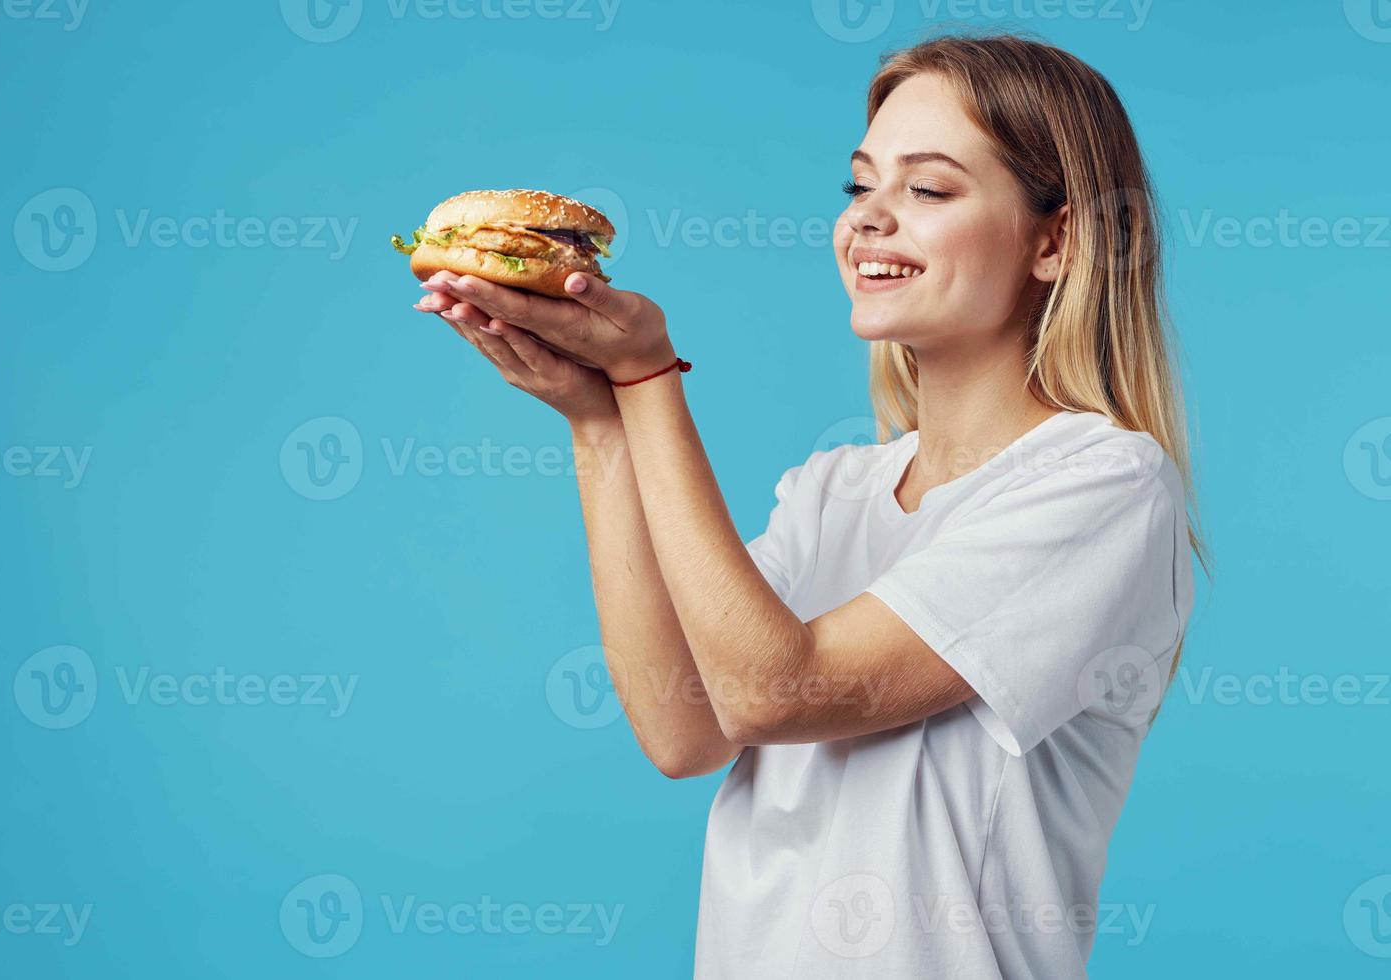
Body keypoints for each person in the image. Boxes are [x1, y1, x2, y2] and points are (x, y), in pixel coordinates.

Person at [411, 32, 1209, 980]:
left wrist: (652, 378)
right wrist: (598, 420)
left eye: (929, 189)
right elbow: (687, 730)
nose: (868, 221)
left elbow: (774, 692)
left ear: (1057, 239)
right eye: (860, 186)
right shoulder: (836, 488)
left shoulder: (1101, 485)